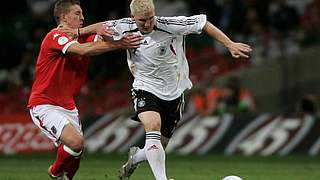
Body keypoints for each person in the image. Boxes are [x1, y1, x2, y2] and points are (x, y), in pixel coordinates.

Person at [73, 0, 252, 179]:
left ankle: (136, 158)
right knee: (153, 127)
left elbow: (203, 23)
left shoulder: (170, 25)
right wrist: (78, 31)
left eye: (151, 18)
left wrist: (229, 44)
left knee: (158, 146)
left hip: (174, 92)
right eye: (142, 20)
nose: (148, 23)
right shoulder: (124, 26)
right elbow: (101, 26)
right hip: (145, 88)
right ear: (132, 17)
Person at [27, 0, 142, 179]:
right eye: (77, 13)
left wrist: (116, 35)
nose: (83, 17)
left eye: (82, 13)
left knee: (77, 152)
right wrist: (119, 44)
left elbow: (101, 38)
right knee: (76, 142)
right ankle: (55, 173)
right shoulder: (54, 36)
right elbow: (81, 50)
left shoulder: (81, 37)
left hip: (68, 105)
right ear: (63, 17)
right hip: (44, 103)